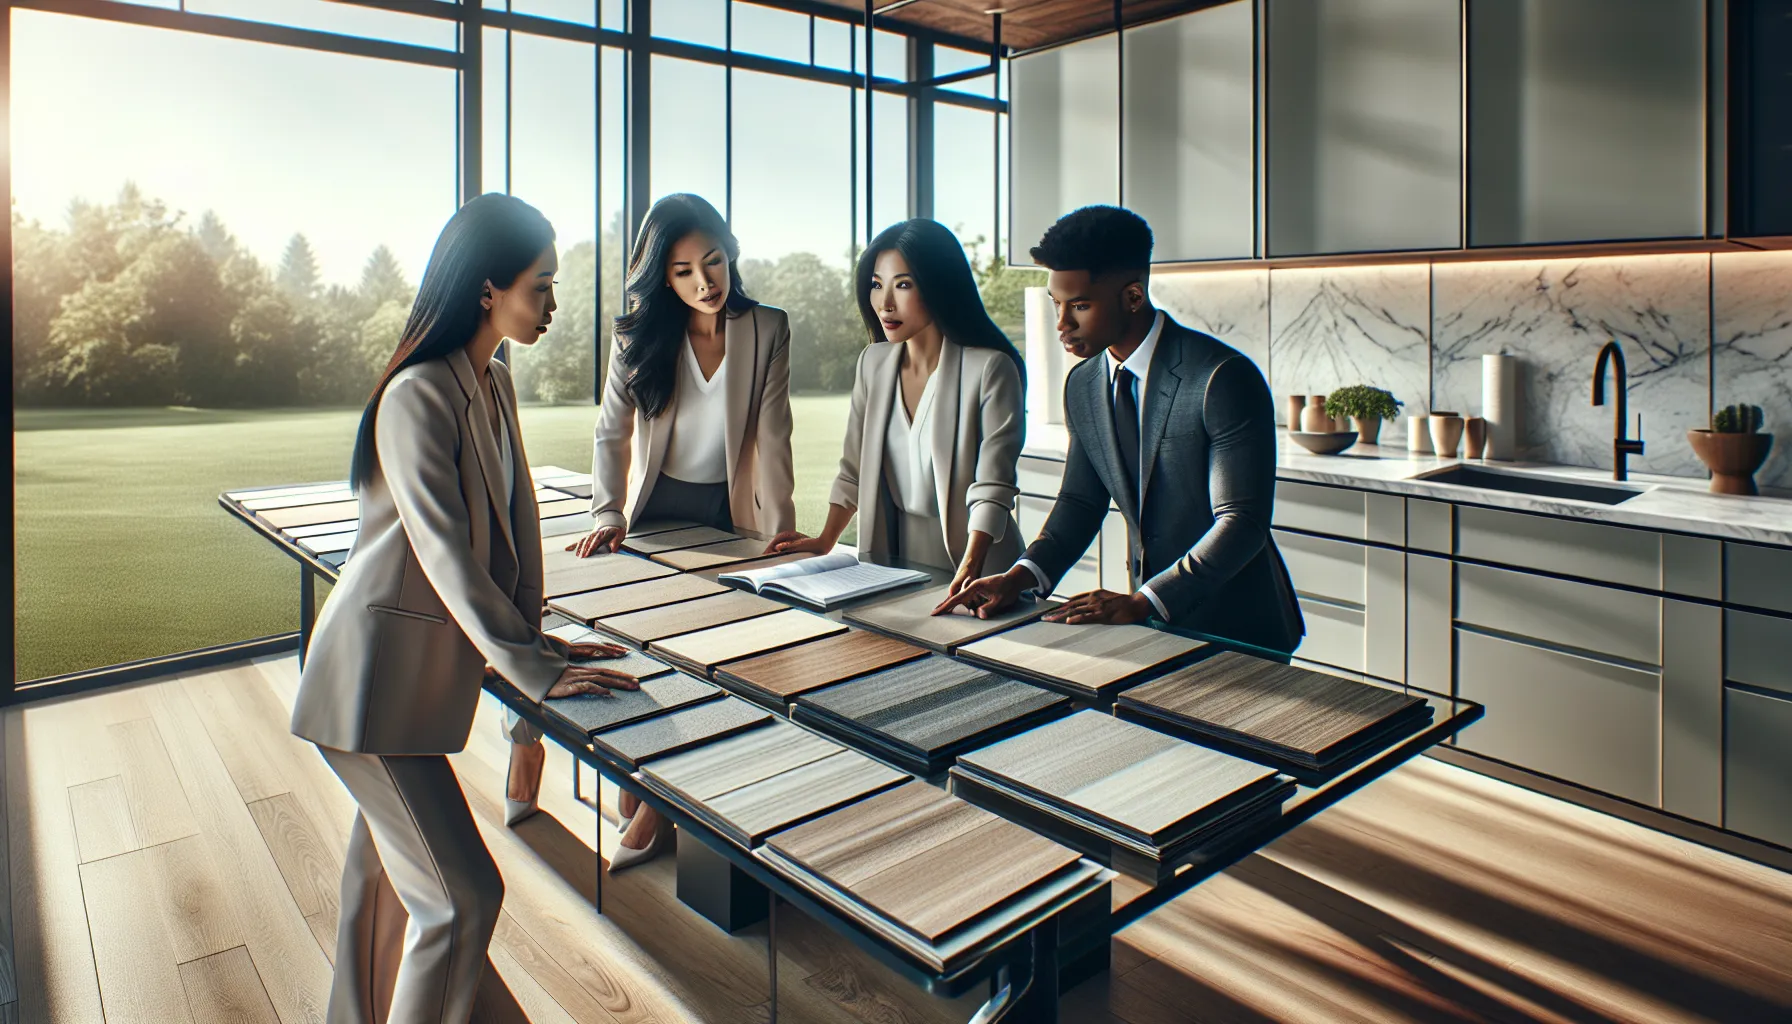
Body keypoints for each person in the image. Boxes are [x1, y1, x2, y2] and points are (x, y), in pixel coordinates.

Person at [289, 193, 641, 1024]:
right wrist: (531, 669)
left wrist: (537, 642)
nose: (554, 306)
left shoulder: (492, 380)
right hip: (368, 689)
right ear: (488, 289)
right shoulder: (418, 394)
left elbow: (512, 525)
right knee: (461, 899)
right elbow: (444, 553)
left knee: (382, 891)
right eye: (541, 287)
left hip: (409, 689)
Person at [505, 192, 796, 872]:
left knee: (713, 653)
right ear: (662, 277)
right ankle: (536, 742)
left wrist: (780, 538)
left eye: (714, 262)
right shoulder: (637, 335)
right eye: (685, 271)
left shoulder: (769, 328)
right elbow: (612, 431)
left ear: (731, 254)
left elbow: (775, 436)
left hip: (727, 515)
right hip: (649, 510)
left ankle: (655, 797)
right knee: (589, 628)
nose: (705, 282)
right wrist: (606, 511)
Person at [938, 205, 1304, 657]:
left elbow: (1241, 522)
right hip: (1152, 627)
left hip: (1240, 629)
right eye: (1057, 303)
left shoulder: (1222, 377)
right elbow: (1080, 502)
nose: (1062, 324)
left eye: (1080, 306)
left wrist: (1143, 600)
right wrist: (1020, 576)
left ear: (1133, 297)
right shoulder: (1084, 383)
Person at [765, 219, 1025, 595]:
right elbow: (853, 468)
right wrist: (825, 540)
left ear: (939, 285)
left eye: (903, 285)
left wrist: (971, 569)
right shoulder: (873, 362)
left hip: (979, 569)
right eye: (876, 284)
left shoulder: (989, 369)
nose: (885, 303)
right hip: (894, 565)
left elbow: (993, 486)